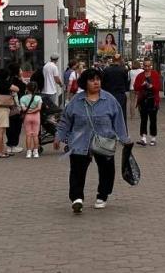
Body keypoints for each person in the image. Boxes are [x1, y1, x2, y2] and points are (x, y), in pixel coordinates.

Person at [54, 68, 131, 213]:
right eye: (92, 80)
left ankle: (102, 196)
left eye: (98, 79)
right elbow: (65, 120)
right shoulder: (76, 101)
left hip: (105, 141)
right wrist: (59, 136)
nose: (96, 82)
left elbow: (119, 120)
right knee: (77, 171)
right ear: (85, 82)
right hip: (79, 142)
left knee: (107, 170)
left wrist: (124, 138)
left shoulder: (109, 100)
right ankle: (77, 198)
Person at [134, 59, 161, 146]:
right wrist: (142, 85)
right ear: (143, 66)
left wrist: (151, 86)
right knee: (143, 119)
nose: (147, 68)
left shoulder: (155, 74)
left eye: (148, 66)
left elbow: (158, 88)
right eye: (145, 66)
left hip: (153, 100)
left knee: (153, 120)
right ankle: (143, 138)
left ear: (151, 66)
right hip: (143, 101)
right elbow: (136, 88)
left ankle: (153, 138)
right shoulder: (140, 76)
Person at [5, 63, 28, 155]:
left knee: (10, 126)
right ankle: (13, 145)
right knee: (16, 126)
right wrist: (22, 80)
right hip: (17, 107)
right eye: (20, 70)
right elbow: (24, 88)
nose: (22, 71)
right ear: (17, 71)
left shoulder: (9, 80)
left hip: (9, 106)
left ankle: (10, 145)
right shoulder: (17, 81)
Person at [101, 55, 130, 125]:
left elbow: (102, 84)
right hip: (120, 95)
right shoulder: (124, 70)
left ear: (113, 60)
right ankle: (122, 132)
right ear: (120, 60)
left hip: (109, 95)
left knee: (109, 115)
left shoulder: (106, 70)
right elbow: (126, 85)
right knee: (122, 115)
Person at [19, 80, 43, 159]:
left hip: (27, 117)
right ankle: (36, 152)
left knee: (28, 135)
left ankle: (28, 152)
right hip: (36, 116)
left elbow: (23, 108)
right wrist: (33, 111)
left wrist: (28, 111)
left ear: (27, 89)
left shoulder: (23, 98)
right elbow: (39, 108)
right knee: (35, 135)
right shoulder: (38, 97)